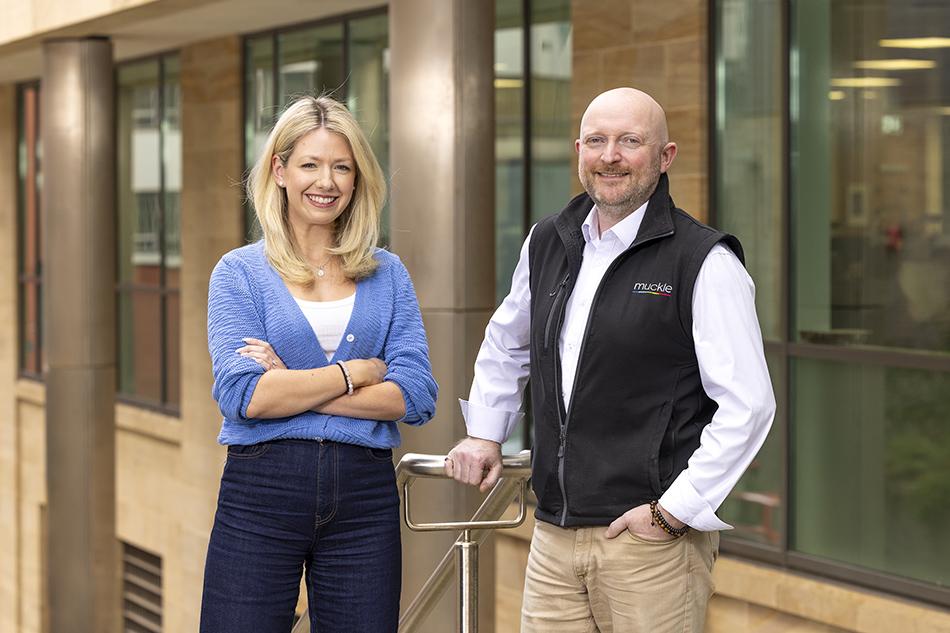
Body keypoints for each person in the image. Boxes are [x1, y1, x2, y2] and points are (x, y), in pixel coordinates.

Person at [445, 87, 775, 632]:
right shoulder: (547, 240)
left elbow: (749, 404)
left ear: (665, 156)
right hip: (552, 535)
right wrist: (484, 431)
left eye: (630, 141)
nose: (610, 155)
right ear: (579, 151)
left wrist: (674, 513)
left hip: (650, 546)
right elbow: (508, 342)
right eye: (596, 141)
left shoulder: (703, 260)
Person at [199, 95, 437, 633]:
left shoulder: (388, 273)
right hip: (260, 492)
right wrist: (356, 373)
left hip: (364, 500)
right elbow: (246, 397)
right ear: (279, 171)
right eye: (309, 164)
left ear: (357, 180)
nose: (325, 181)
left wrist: (288, 380)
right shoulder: (238, 274)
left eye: (341, 167)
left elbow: (417, 395)